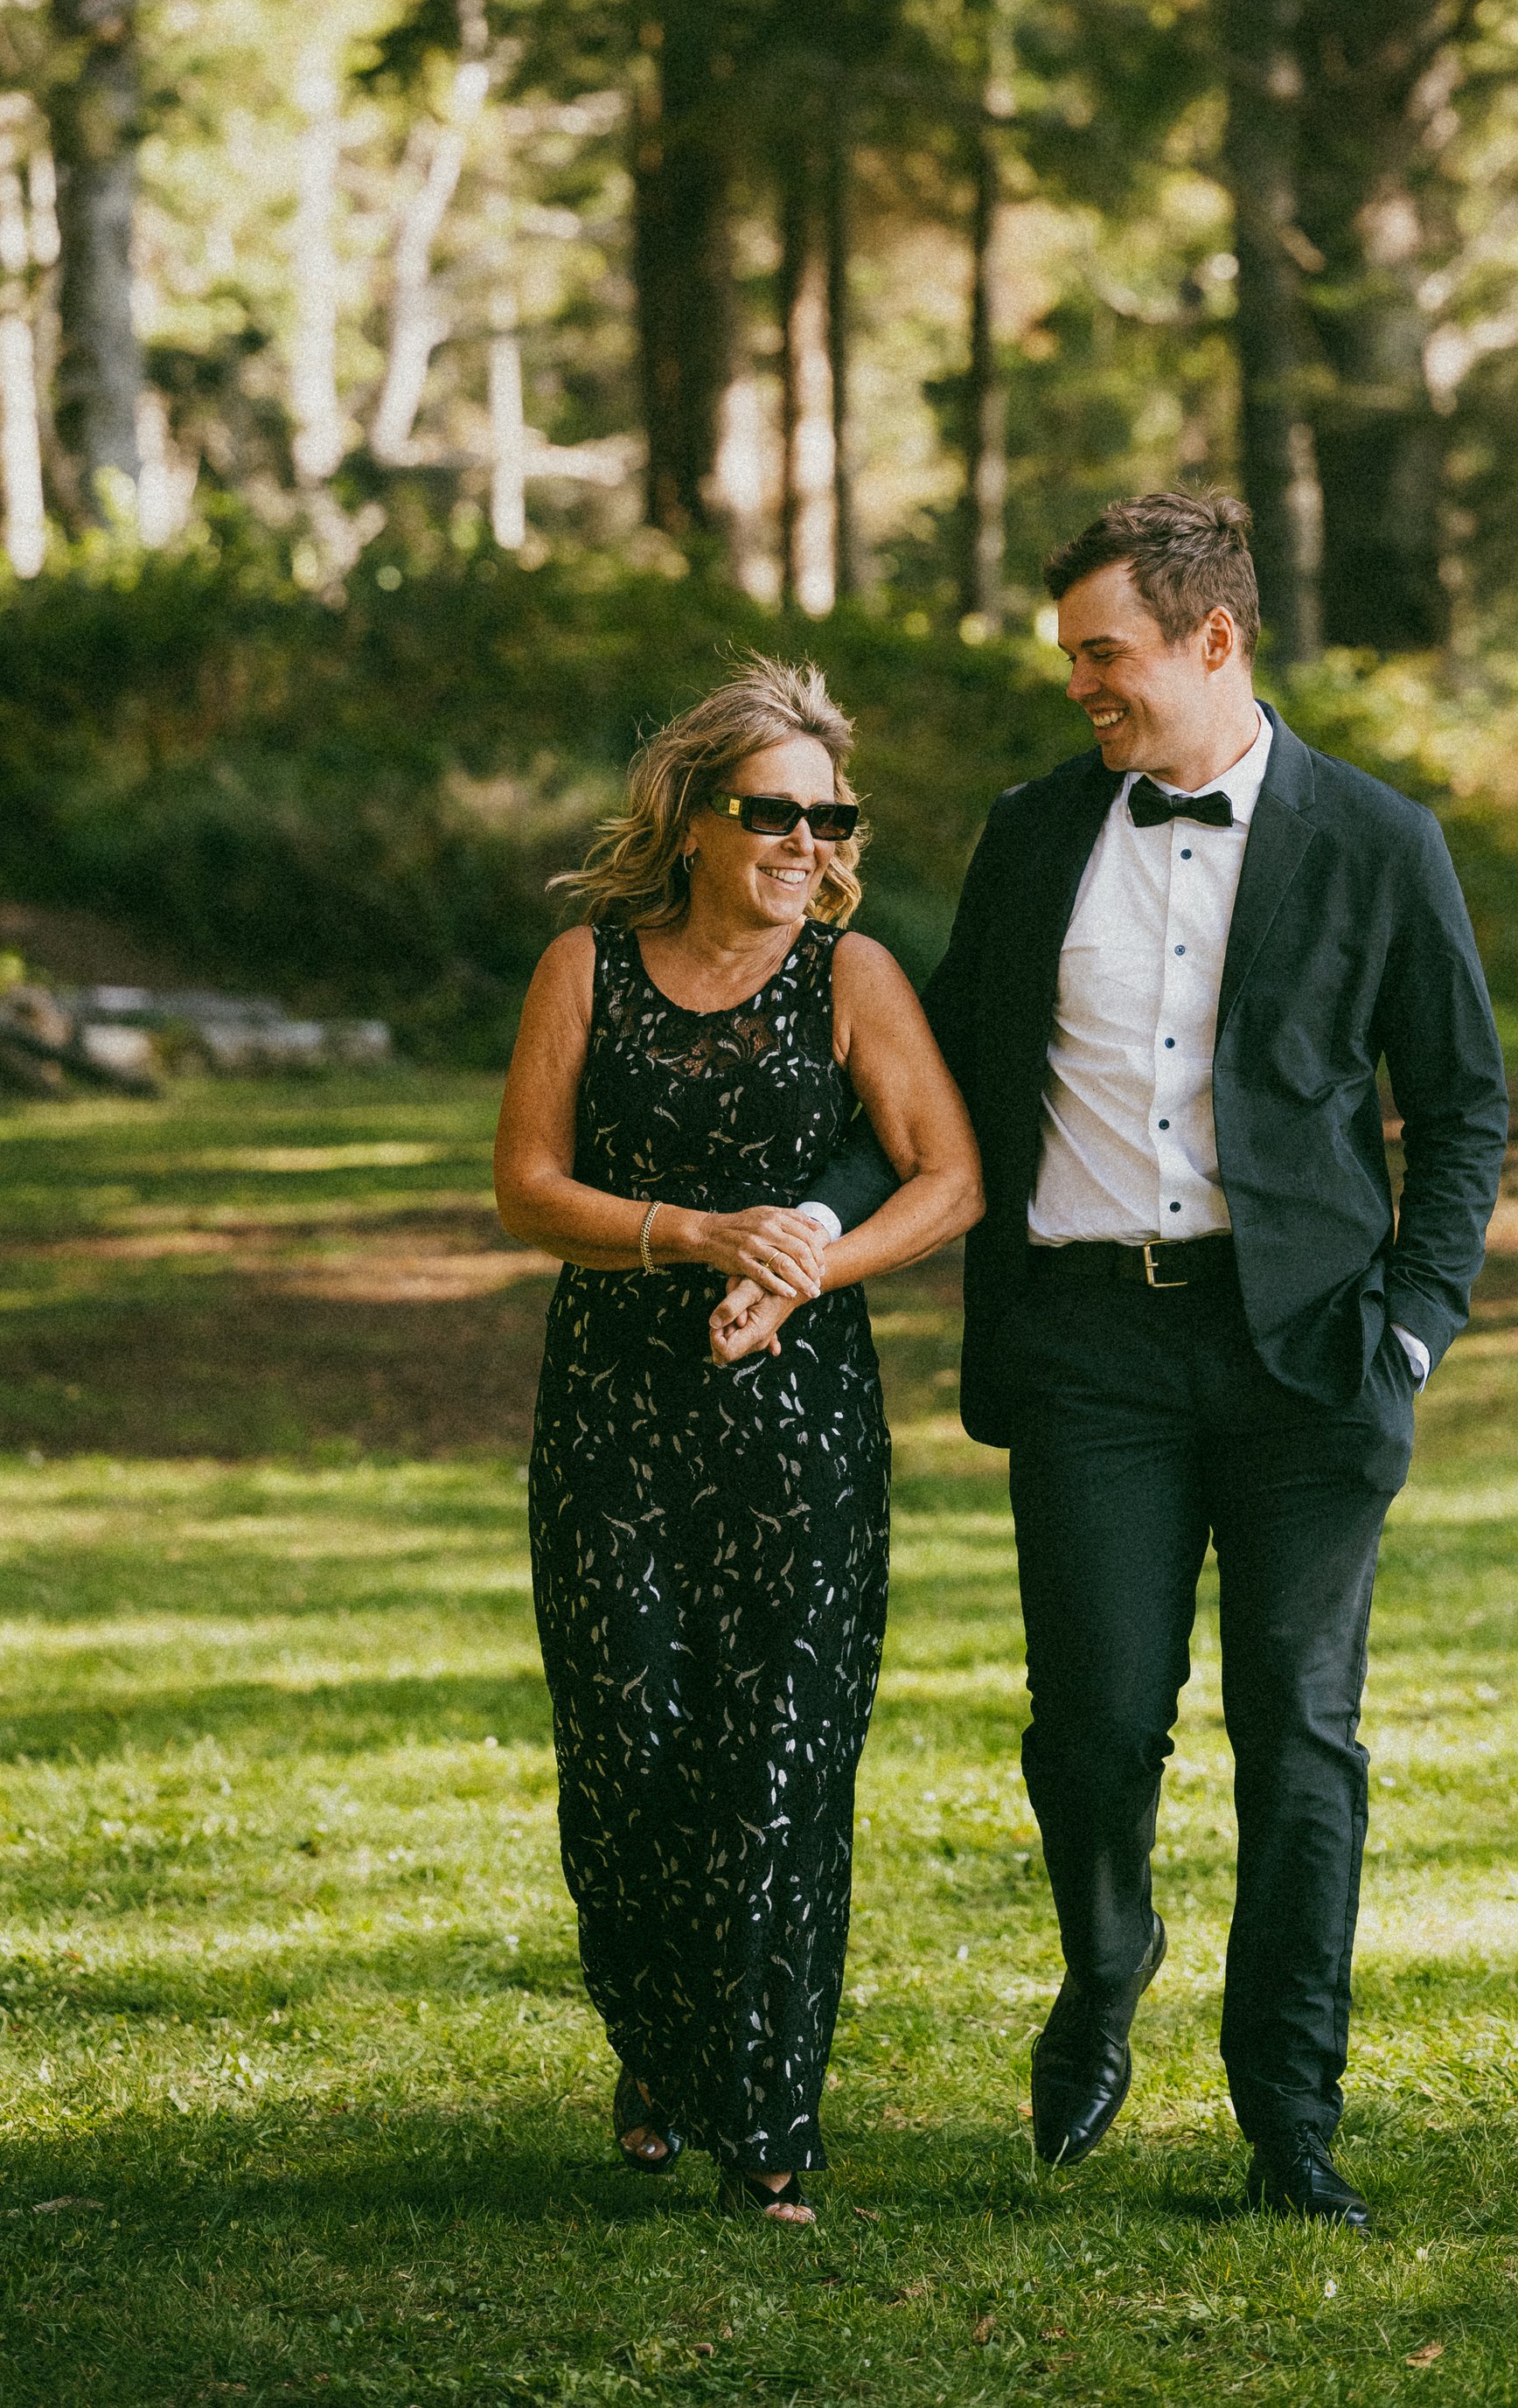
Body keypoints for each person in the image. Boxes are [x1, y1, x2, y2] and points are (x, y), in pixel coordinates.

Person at [808, 491, 1507, 2234]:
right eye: (1069, 656)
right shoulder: (1034, 830)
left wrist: (1412, 1330)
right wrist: (803, 1221)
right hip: (1089, 1351)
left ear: (1213, 639)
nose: (1079, 685)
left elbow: (1462, 1105)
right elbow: (937, 1076)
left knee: (1300, 1740)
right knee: (1098, 1724)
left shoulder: (1379, 839)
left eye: (1101, 652)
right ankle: (1106, 1955)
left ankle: (1290, 2124)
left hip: (1309, 1362)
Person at [494, 658, 982, 2223]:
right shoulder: (587, 966)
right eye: (775, 812)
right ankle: (660, 2047)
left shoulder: (853, 976)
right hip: (614, 1416)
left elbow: (948, 1178)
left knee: (780, 1762)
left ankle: (768, 2116)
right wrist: (695, 1233)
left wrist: (805, 1271)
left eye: (829, 817)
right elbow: (526, 1186)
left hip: (801, 1423)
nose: (804, 842)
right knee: (629, 1753)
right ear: (695, 816)